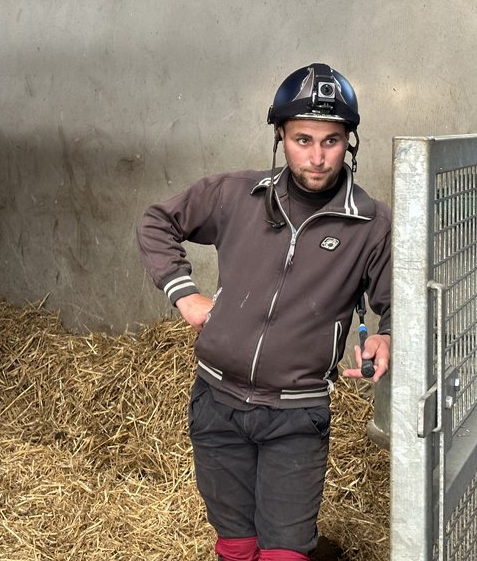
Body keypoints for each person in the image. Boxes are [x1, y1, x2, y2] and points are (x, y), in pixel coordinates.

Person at [136, 63, 392, 561]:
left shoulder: (370, 223)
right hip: (216, 401)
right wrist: (184, 293)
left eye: (331, 141)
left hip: (296, 413)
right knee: (235, 544)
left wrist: (387, 335)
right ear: (281, 136)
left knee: (286, 551)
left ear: (349, 142)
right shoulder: (237, 194)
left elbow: (397, 300)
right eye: (302, 140)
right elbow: (156, 222)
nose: (317, 157)